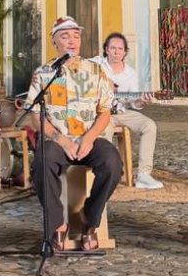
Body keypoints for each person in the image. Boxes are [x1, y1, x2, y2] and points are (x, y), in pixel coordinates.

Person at [24, 15, 121, 253]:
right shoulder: (43, 73)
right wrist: (62, 140)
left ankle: (89, 220)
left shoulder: (96, 71)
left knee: (112, 163)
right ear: (54, 42)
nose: (72, 41)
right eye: (65, 36)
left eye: (76, 36)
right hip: (58, 141)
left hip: (89, 139)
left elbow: (105, 112)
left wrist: (88, 139)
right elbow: (36, 115)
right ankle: (57, 225)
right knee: (43, 159)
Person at [89, 32, 163, 189]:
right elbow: (78, 71)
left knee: (149, 125)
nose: (116, 52)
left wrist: (141, 100)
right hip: (101, 112)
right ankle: (105, 175)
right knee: (104, 129)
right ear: (106, 50)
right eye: (113, 48)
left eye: (120, 49)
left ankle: (143, 175)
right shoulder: (96, 64)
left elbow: (133, 103)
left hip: (121, 112)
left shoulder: (131, 74)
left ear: (125, 52)